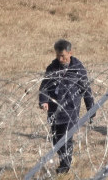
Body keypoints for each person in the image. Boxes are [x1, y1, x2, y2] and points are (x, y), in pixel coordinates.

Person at [39, 39, 95, 175]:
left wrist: (91, 109)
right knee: (56, 140)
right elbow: (44, 87)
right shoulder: (52, 68)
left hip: (71, 110)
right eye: (58, 55)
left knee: (66, 139)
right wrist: (43, 101)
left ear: (70, 53)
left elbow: (86, 90)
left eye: (63, 56)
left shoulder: (78, 69)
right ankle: (65, 160)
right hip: (54, 110)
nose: (60, 58)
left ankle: (65, 167)